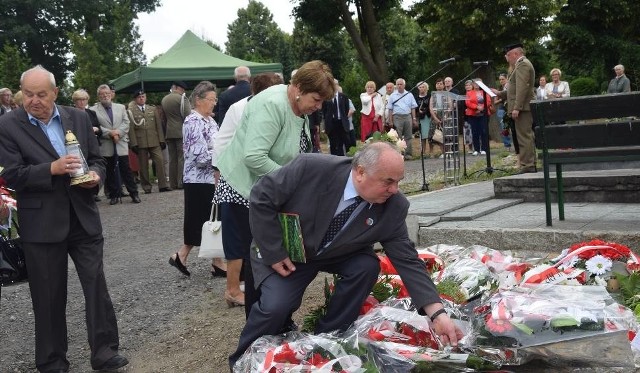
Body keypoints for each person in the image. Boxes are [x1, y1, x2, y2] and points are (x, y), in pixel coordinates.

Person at [229, 142, 464, 369]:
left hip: (338, 252)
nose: (395, 190)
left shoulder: (394, 205)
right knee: (275, 307)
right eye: (388, 181)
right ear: (360, 172)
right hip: (287, 252)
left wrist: (437, 314)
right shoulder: (310, 168)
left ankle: (327, 337)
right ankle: (243, 361)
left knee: (366, 266)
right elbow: (261, 196)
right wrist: (273, 251)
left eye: (398, 181)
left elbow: (408, 260)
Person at [0, 65, 128, 372]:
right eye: (28, 94)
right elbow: (11, 175)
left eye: (41, 94)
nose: (34, 101)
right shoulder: (9, 124)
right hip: (41, 223)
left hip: (83, 215)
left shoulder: (79, 117)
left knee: (95, 284)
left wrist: (95, 175)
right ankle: (52, 359)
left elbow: (97, 159)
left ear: (55, 93)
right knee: (47, 293)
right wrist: (51, 169)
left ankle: (104, 349)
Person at [216, 60, 335, 314]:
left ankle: (275, 317)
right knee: (257, 257)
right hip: (243, 188)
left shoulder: (297, 105)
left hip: (270, 187)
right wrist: (291, 181)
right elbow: (254, 157)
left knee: (272, 251)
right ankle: (258, 321)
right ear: (299, 88)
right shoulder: (272, 105)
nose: (318, 106)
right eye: (316, 99)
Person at [213, 72, 284, 312]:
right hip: (236, 182)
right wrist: (219, 173)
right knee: (237, 240)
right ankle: (232, 290)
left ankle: (248, 285)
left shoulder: (267, 108)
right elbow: (222, 142)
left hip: (253, 185)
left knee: (253, 238)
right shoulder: (241, 108)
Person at [168, 81, 226, 278]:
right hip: (198, 179)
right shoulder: (192, 122)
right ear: (198, 100)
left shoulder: (210, 121)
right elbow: (199, 156)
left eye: (215, 99)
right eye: (211, 100)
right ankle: (184, 256)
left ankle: (211, 261)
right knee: (202, 221)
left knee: (210, 219)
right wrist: (221, 155)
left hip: (211, 178)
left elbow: (219, 145)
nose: (214, 103)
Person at [91, 84, 141, 204]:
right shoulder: (93, 110)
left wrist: (118, 132)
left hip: (120, 142)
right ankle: (114, 194)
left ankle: (134, 193)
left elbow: (126, 122)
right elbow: (96, 126)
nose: (105, 96)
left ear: (111, 95)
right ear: (98, 96)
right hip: (106, 144)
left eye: (107, 94)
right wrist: (110, 133)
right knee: (110, 171)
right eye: (102, 94)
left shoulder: (120, 107)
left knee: (126, 170)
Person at [492, 43, 536, 174]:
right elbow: (514, 89)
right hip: (521, 107)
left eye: (508, 55)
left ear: (516, 54)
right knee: (523, 136)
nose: (507, 58)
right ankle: (528, 163)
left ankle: (528, 164)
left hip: (523, 108)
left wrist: (517, 107)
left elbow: (522, 88)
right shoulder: (519, 65)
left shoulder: (522, 64)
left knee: (524, 136)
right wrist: (500, 93)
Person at [126, 89, 170, 194]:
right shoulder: (131, 111)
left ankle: (163, 185)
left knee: (160, 161)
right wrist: (133, 143)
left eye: (143, 96)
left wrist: (161, 139)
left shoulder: (152, 109)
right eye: (139, 97)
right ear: (135, 99)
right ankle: (146, 187)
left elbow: (158, 125)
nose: (142, 99)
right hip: (140, 141)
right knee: (143, 166)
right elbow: (131, 128)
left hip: (154, 140)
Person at [72, 89, 103, 201]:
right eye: (79, 100)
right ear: (75, 101)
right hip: (79, 145)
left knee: (95, 166)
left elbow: (100, 130)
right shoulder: (71, 114)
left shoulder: (91, 113)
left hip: (93, 143)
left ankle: (94, 191)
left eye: (84, 99)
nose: (81, 102)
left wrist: (96, 129)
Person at [161, 81, 191, 190]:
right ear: (178, 88)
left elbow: (163, 117)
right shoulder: (182, 99)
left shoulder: (164, 99)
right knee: (181, 158)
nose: (183, 91)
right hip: (181, 131)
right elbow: (188, 116)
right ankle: (181, 182)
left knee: (172, 159)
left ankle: (172, 183)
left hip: (169, 131)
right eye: (182, 89)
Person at [387, 78, 418, 160]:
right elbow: (390, 109)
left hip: (407, 116)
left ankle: (408, 154)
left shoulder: (409, 94)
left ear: (404, 85)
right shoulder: (392, 96)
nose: (399, 86)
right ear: (396, 85)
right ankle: (398, 155)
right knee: (397, 136)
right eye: (398, 84)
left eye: (401, 84)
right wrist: (390, 120)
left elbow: (413, 107)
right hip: (397, 117)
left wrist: (414, 118)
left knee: (408, 136)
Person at [321, 79, 351, 156]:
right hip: (331, 123)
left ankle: (345, 158)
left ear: (337, 85)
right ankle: (334, 160)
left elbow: (346, 109)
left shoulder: (343, 97)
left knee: (344, 142)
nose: (334, 86)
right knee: (333, 144)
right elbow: (324, 111)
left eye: (335, 84)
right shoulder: (326, 98)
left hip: (341, 123)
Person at [465, 79, 492, 155]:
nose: (476, 85)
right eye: (475, 83)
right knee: (474, 132)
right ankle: (476, 149)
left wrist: (481, 108)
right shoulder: (469, 92)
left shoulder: (485, 92)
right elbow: (468, 102)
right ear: (473, 84)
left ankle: (484, 148)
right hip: (473, 114)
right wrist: (476, 107)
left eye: (478, 83)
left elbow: (488, 101)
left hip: (483, 114)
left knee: (483, 131)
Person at [428, 78, 447, 157]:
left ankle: (444, 152)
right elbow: (431, 107)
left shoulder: (447, 94)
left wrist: (446, 115)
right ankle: (431, 153)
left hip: (445, 116)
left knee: (443, 135)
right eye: (437, 84)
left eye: (440, 84)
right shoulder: (433, 94)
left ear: (443, 85)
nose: (439, 85)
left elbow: (450, 106)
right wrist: (435, 118)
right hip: (434, 117)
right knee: (432, 135)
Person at [495, 73, 512, 150]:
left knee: (513, 127)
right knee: (504, 128)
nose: (501, 81)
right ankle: (507, 145)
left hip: (510, 108)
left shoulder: (510, 87)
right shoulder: (498, 89)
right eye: (500, 79)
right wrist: (502, 98)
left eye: (503, 79)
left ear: (507, 79)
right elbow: (495, 101)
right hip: (501, 109)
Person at [415, 82, 431, 156]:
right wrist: (418, 111)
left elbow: (431, 106)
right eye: (420, 87)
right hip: (421, 118)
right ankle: (423, 152)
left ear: (426, 88)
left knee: (430, 135)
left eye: (423, 87)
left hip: (429, 117)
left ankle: (431, 151)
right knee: (423, 136)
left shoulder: (430, 96)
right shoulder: (416, 98)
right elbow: (414, 107)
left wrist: (425, 110)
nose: (422, 88)